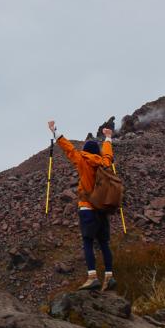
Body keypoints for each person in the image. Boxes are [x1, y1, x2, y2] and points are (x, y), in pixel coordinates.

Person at [49, 118, 116, 290]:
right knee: (104, 243)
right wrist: (108, 138)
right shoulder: (104, 162)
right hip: (102, 209)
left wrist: (55, 131)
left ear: (86, 150)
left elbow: (69, 149)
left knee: (87, 242)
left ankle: (92, 277)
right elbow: (108, 154)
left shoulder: (82, 160)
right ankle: (109, 276)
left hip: (87, 208)